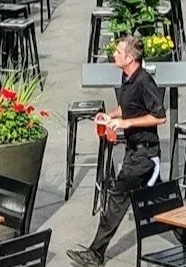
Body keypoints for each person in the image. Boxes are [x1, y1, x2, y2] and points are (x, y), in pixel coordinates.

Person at [66, 35, 165, 267]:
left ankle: (95, 253)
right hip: (135, 151)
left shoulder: (144, 81)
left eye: (119, 52)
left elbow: (160, 116)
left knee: (118, 198)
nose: (114, 54)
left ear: (130, 58)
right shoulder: (126, 77)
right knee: (163, 202)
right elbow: (129, 106)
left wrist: (127, 124)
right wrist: (112, 115)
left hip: (145, 155)